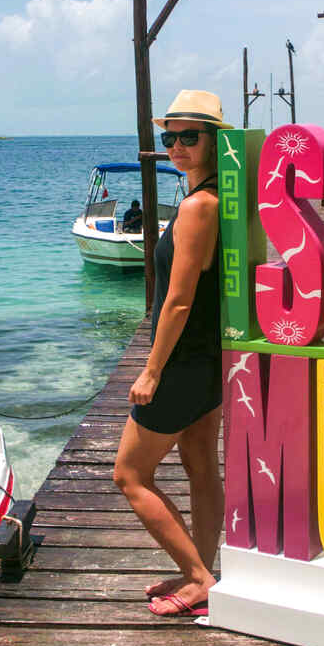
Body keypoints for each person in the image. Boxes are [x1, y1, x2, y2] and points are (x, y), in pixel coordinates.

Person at [113, 89, 228, 617]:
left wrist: (152, 370)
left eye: (190, 136)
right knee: (199, 463)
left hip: (181, 361)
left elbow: (178, 299)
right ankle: (204, 570)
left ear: (214, 140)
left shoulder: (199, 206)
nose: (177, 146)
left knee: (130, 475)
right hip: (205, 358)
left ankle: (197, 576)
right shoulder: (211, 197)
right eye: (170, 137)